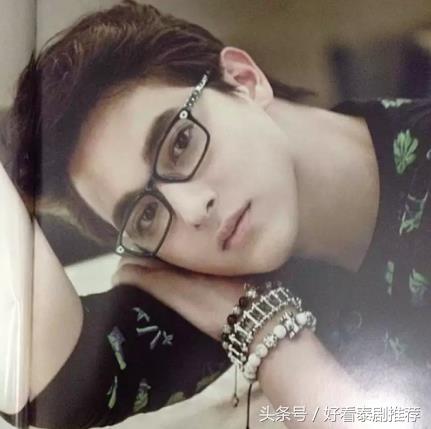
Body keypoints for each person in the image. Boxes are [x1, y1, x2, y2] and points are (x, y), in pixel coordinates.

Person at [1, 1, 431, 428]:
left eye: (180, 143)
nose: (191, 210)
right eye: (145, 215)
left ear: (244, 81)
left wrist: (263, 331)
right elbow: (47, 388)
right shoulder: (223, 271)